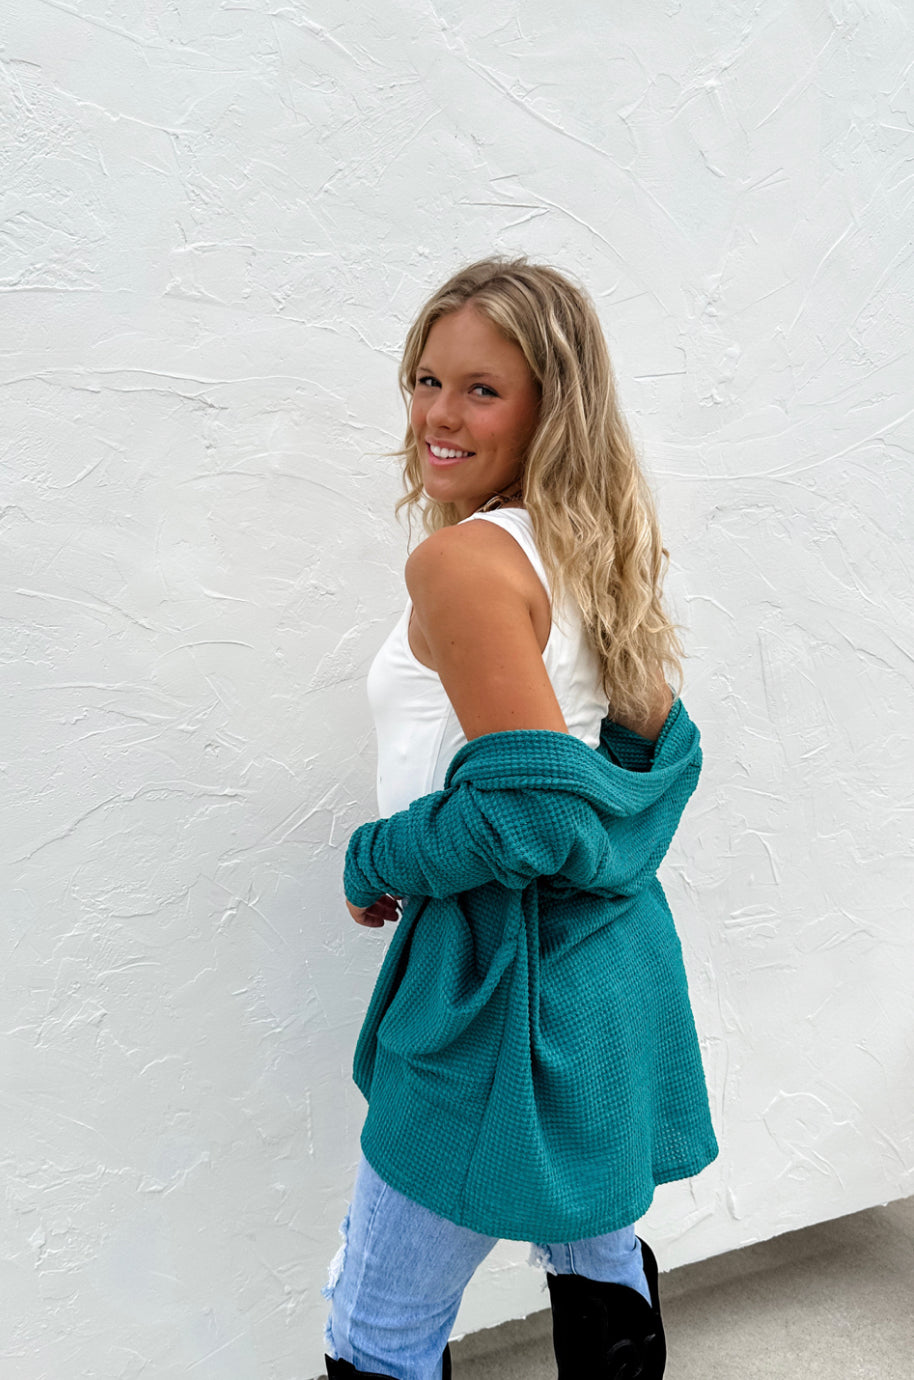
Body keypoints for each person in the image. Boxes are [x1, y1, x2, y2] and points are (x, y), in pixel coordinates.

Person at [322, 257, 718, 1380]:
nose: (439, 416)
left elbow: (528, 817)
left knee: (376, 1329)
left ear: (552, 406)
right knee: (596, 1257)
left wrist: (377, 857)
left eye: (482, 390)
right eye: (427, 379)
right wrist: (603, 851)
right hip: (611, 965)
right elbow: (656, 761)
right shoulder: (593, 545)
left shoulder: (463, 563)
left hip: (502, 976)